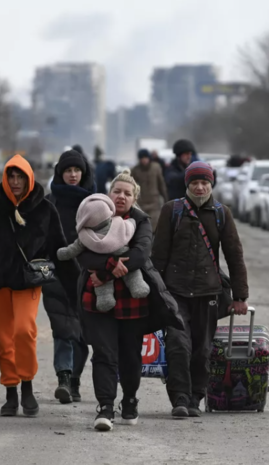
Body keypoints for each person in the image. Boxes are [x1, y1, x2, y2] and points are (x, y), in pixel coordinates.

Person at [0, 154, 79, 417]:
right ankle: (11, 392)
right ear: (5, 178)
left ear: (29, 178)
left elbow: (59, 249)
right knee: (5, 339)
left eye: (20, 177)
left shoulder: (45, 209)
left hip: (28, 283)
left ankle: (27, 385)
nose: (15, 182)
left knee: (24, 331)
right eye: (11, 176)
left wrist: (76, 288)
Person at [74, 170, 183, 432]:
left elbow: (140, 254)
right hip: (97, 301)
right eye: (117, 191)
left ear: (134, 198)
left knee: (130, 355)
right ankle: (106, 407)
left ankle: (130, 400)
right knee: (103, 353)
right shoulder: (94, 214)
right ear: (108, 194)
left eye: (127, 193)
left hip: (133, 300)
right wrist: (111, 264)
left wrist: (105, 271)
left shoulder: (141, 220)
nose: (121, 196)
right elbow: (82, 253)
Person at [151, 161, 249, 418]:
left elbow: (234, 256)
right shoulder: (171, 210)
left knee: (202, 350)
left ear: (211, 184)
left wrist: (239, 297)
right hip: (175, 292)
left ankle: (196, 397)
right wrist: (154, 293)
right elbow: (158, 257)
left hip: (208, 294)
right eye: (194, 182)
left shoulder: (221, 213)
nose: (199, 187)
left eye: (204, 182)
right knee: (178, 345)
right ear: (187, 184)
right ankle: (180, 398)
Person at [44, 150, 95, 404]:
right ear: (60, 174)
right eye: (67, 171)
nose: (73, 175)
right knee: (62, 329)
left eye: (77, 170)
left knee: (82, 333)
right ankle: (63, 378)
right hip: (55, 275)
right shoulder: (49, 202)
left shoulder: (96, 203)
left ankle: (74, 379)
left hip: (87, 275)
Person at [131, 149, 168, 227]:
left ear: (149, 158)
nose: (144, 160)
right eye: (142, 158)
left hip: (154, 202)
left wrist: (165, 198)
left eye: (146, 158)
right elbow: (132, 186)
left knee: (154, 225)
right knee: (142, 225)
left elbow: (161, 184)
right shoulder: (135, 170)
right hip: (141, 202)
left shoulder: (156, 167)